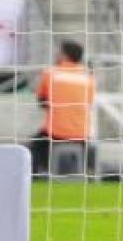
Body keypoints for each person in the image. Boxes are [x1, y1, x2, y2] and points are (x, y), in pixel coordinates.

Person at [30, 41, 96, 175]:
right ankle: (88, 170)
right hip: (81, 134)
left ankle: (40, 171)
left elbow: (41, 101)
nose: (56, 54)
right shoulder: (88, 77)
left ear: (65, 55)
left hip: (55, 132)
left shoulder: (51, 73)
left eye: (59, 52)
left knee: (36, 144)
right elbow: (89, 103)